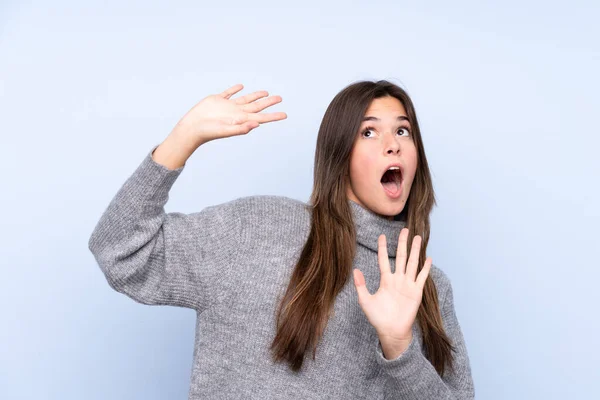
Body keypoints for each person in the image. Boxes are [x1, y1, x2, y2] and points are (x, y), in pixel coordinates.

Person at [88, 80, 475, 399]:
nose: (392, 143)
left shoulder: (430, 286)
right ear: (339, 156)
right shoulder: (257, 229)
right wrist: (182, 139)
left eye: (402, 130)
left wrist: (399, 347)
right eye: (368, 131)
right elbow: (120, 250)